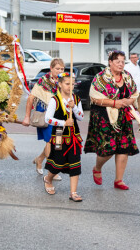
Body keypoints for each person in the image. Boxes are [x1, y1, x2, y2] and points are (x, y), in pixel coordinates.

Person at [84, 50, 139, 190]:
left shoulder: (127, 76)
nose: (121, 64)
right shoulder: (100, 77)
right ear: (110, 62)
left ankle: (118, 180)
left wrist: (128, 101)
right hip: (104, 117)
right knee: (108, 148)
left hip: (123, 117)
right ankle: (97, 168)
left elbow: (134, 93)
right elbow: (94, 97)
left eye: (122, 61)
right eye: (117, 61)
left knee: (123, 147)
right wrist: (114, 103)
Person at [43, 73, 84, 202]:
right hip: (59, 136)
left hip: (74, 137)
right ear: (60, 84)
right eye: (67, 84)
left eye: (73, 84)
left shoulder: (76, 99)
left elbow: (81, 117)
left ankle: (73, 192)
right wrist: (63, 123)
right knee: (58, 163)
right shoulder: (55, 100)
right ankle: (48, 179)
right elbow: (48, 119)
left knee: (75, 163)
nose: (70, 87)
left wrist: (74, 107)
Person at [21, 58, 64, 181]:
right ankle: (53, 171)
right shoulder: (43, 81)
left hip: (59, 113)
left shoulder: (63, 80)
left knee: (57, 142)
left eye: (62, 69)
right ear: (51, 68)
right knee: (51, 141)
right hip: (45, 112)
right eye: (57, 69)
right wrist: (27, 117)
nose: (60, 71)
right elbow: (31, 98)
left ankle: (39, 159)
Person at [124, 52, 140, 132]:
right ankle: (125, 127)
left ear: (137, 58)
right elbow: (125, 78)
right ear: (130, 58)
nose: (134, 59)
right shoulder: (127, 67)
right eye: (132, 57)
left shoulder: (138, 66)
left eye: (135, 57)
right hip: (132, 91)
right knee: (129, 109)